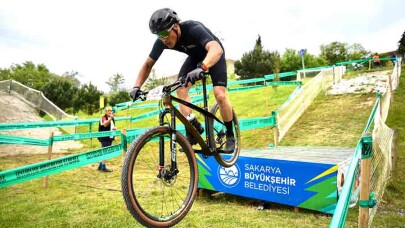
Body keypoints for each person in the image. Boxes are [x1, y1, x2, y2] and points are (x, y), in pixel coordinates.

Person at [129, 8, 235, 152]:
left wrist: (203, 67)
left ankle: (230, 135)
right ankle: (191, 127)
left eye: (165, 33)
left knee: (220, 95)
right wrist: (136, 86)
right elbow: (148, 64)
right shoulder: (162, 40)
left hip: (213, 55)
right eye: (158, 35)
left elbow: (216, 49)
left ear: (176, 27)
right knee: (180, 89)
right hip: (194, 58)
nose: (163, 39)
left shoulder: (193, 28)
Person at [97, 106, 116, 172]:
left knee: (105, 152)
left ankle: (100, 165)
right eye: (108, 110)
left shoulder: (112, 118)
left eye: (111, 110)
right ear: (105, 111)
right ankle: (103, 167)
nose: (110, 111)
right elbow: (105, 124)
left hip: (109, 138)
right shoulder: (103, 118)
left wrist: (114, 128)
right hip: (104, 138)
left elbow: (111, 126)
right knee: (106, 152)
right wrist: (110, 118)